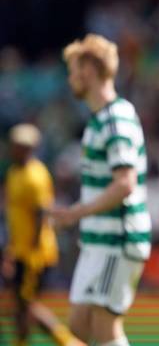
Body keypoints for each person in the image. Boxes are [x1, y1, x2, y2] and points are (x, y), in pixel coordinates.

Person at [48, 34, 151, 346]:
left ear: (90, 71)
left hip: (117, 238)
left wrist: (75, 213)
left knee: (104, 328)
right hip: (98, 241)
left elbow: (125, 183)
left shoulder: (116, 117)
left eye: (73, 70)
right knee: (79, 326)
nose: (70, 79)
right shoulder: (97, 120)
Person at [3, 123, 83, 346]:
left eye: (23, 146)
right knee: (19, 304)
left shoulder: (35, 176)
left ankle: (68, 341)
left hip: (33, 252)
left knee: (26, 304)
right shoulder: (14, 172)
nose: (18, 149)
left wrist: (32, 253)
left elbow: (41, 216)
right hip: (20, 249)